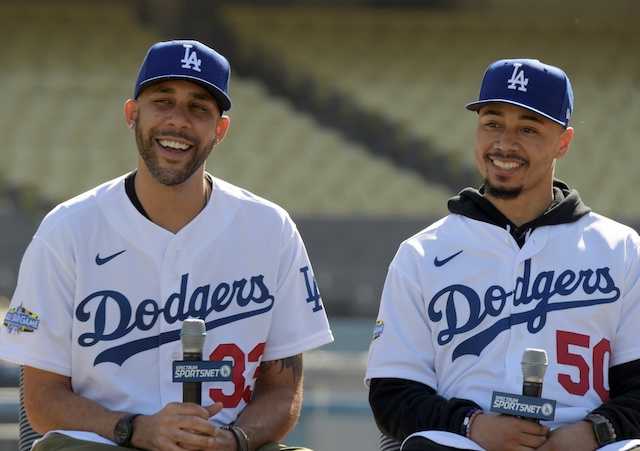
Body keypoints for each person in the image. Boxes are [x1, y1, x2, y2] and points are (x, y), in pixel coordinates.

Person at [0, 39, 334, 451]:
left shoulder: (271, 228)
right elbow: (42, 400)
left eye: (198, 108)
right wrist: (136, 429)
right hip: (107, 442)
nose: (178, 121)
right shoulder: (67, 230)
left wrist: (234, 440)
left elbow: (283, 393)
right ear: (132, 114)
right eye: (163, 101)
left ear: (220, 129)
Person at [365, 58, 640, 451]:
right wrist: (471, 425)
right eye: (492, 123)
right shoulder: (422, 253)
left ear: (563, 141)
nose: (504, 143)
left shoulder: (621, 249)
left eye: (528, 128)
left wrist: (592, 432)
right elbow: (392, 394)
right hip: (465, 442)